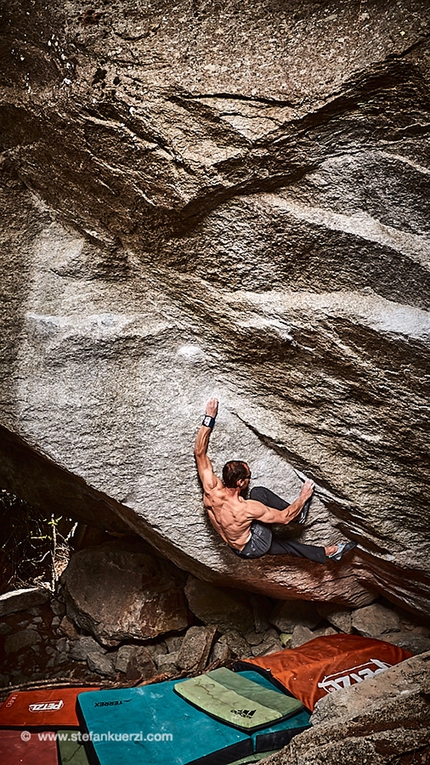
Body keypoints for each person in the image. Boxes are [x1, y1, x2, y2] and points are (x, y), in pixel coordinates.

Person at [194, 397, 357, 563]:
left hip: (237, 547)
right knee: (259, 493)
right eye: (249, 476)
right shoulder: (247, 509)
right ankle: (299, 517)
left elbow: (199, 452)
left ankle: (329, 552)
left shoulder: (211, 489)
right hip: (254, 545)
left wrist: (209, 417)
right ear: (240, 483)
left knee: (285, 545)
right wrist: (303, 498)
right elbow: (284, 517)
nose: (250, 479)